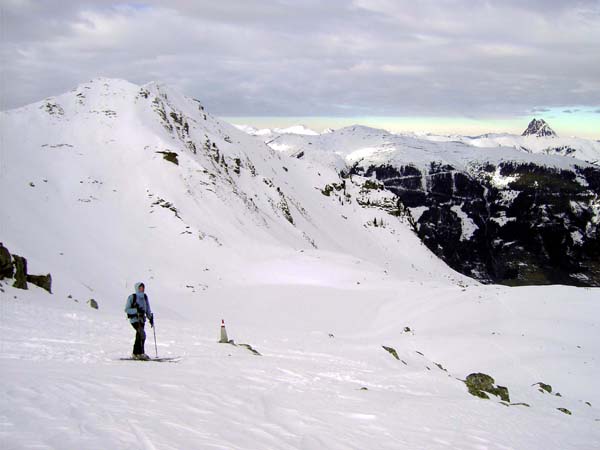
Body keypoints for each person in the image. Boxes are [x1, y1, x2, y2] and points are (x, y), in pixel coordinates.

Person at [124, 282, 154, 360]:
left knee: (139, 335)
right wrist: (136, 310)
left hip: (141, 320)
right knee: (141, 334)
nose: (142, 289)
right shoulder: (132, 297)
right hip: (134, 319)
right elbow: (127, 309)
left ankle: (137, 353)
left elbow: (147, 309)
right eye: (140, 287)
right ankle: (139, 353)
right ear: (137, 288)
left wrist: (150, 318)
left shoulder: (145, 297)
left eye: (143, 287)